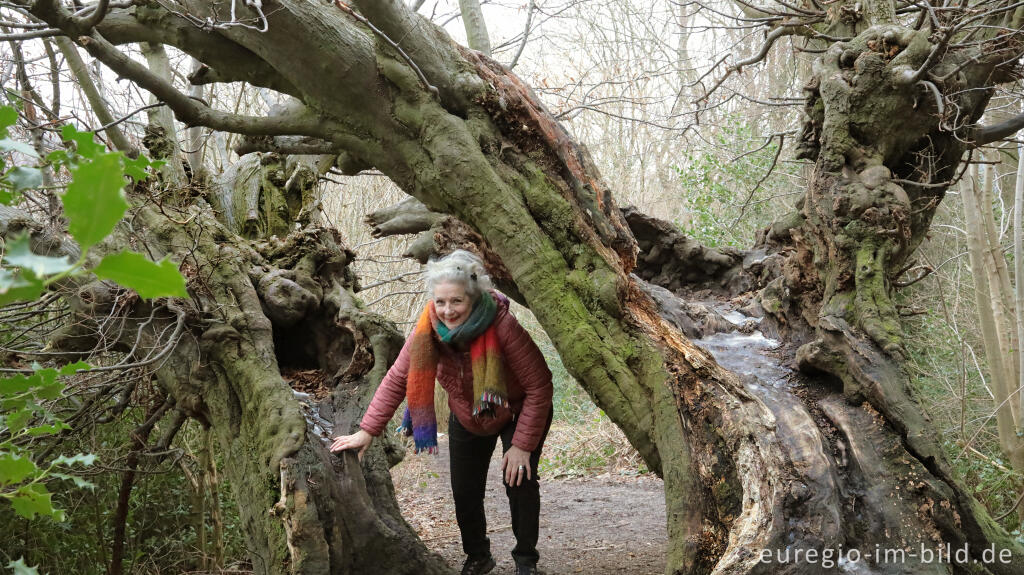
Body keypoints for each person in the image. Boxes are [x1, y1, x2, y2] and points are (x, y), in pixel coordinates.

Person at [330, 250, 554, 575]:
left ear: (473, 297)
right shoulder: (429, 330)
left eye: (457, 301)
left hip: (517, 408)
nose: (447, 311)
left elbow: (539, 385)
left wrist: (521, 446)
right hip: (466, 412)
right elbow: (397, 378)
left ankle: (525, 561)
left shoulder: (502, 325)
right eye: (441, 302)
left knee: (518, 481)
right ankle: (479, 557)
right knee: (464, 490)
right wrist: (367, 430)